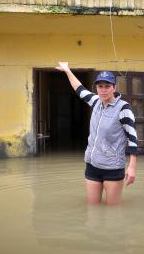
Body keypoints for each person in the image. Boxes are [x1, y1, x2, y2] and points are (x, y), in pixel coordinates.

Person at [55, 62, 138, 205]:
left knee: (113, 213)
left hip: (112, 167)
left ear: (114, 88)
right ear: (96, 88)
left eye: (107, 86)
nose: (103, 90)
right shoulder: (95, 102)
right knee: (92, 210)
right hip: (92, 166)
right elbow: (79, 88)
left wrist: (131, 167)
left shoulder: (123, 108)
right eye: (100, 86)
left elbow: (132, 137)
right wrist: (67, 70)